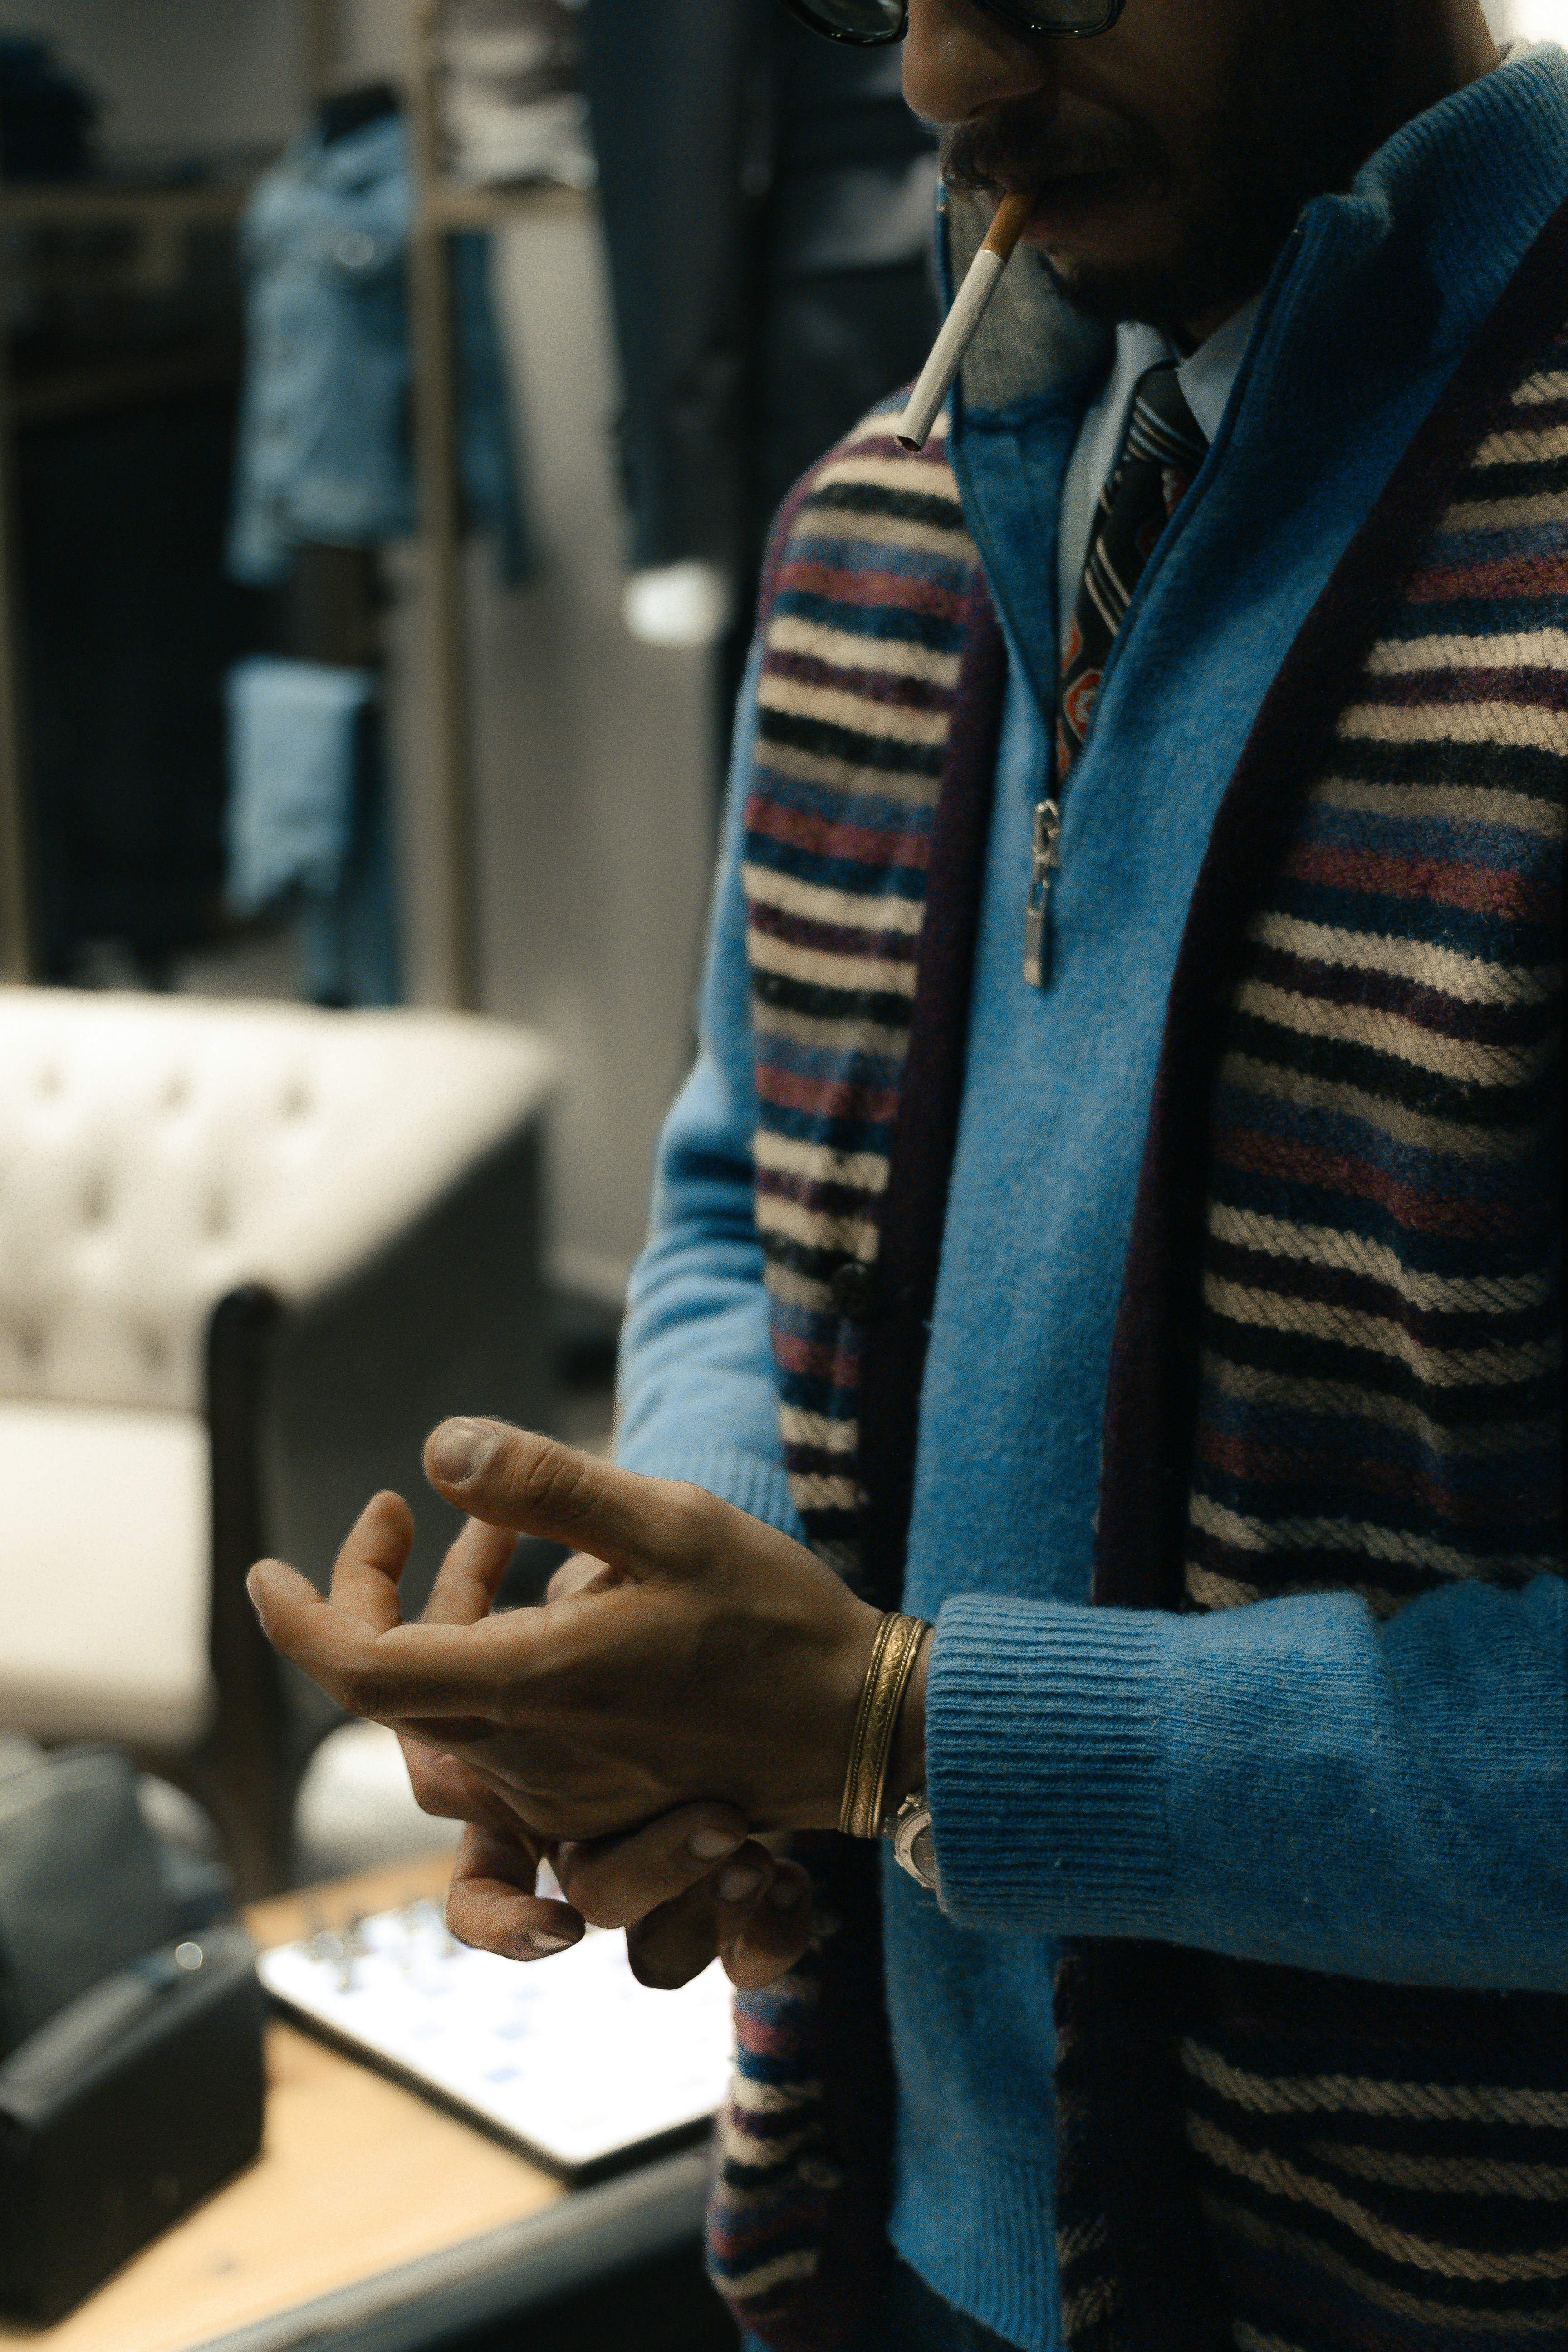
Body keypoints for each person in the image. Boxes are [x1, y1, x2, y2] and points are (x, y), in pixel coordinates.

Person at [249, 1, 1568, 2346]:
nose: (942, 80)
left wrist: (897, 1727)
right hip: (881, 2227)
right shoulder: (876, 520)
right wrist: (668, 1629)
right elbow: (755, 1195)